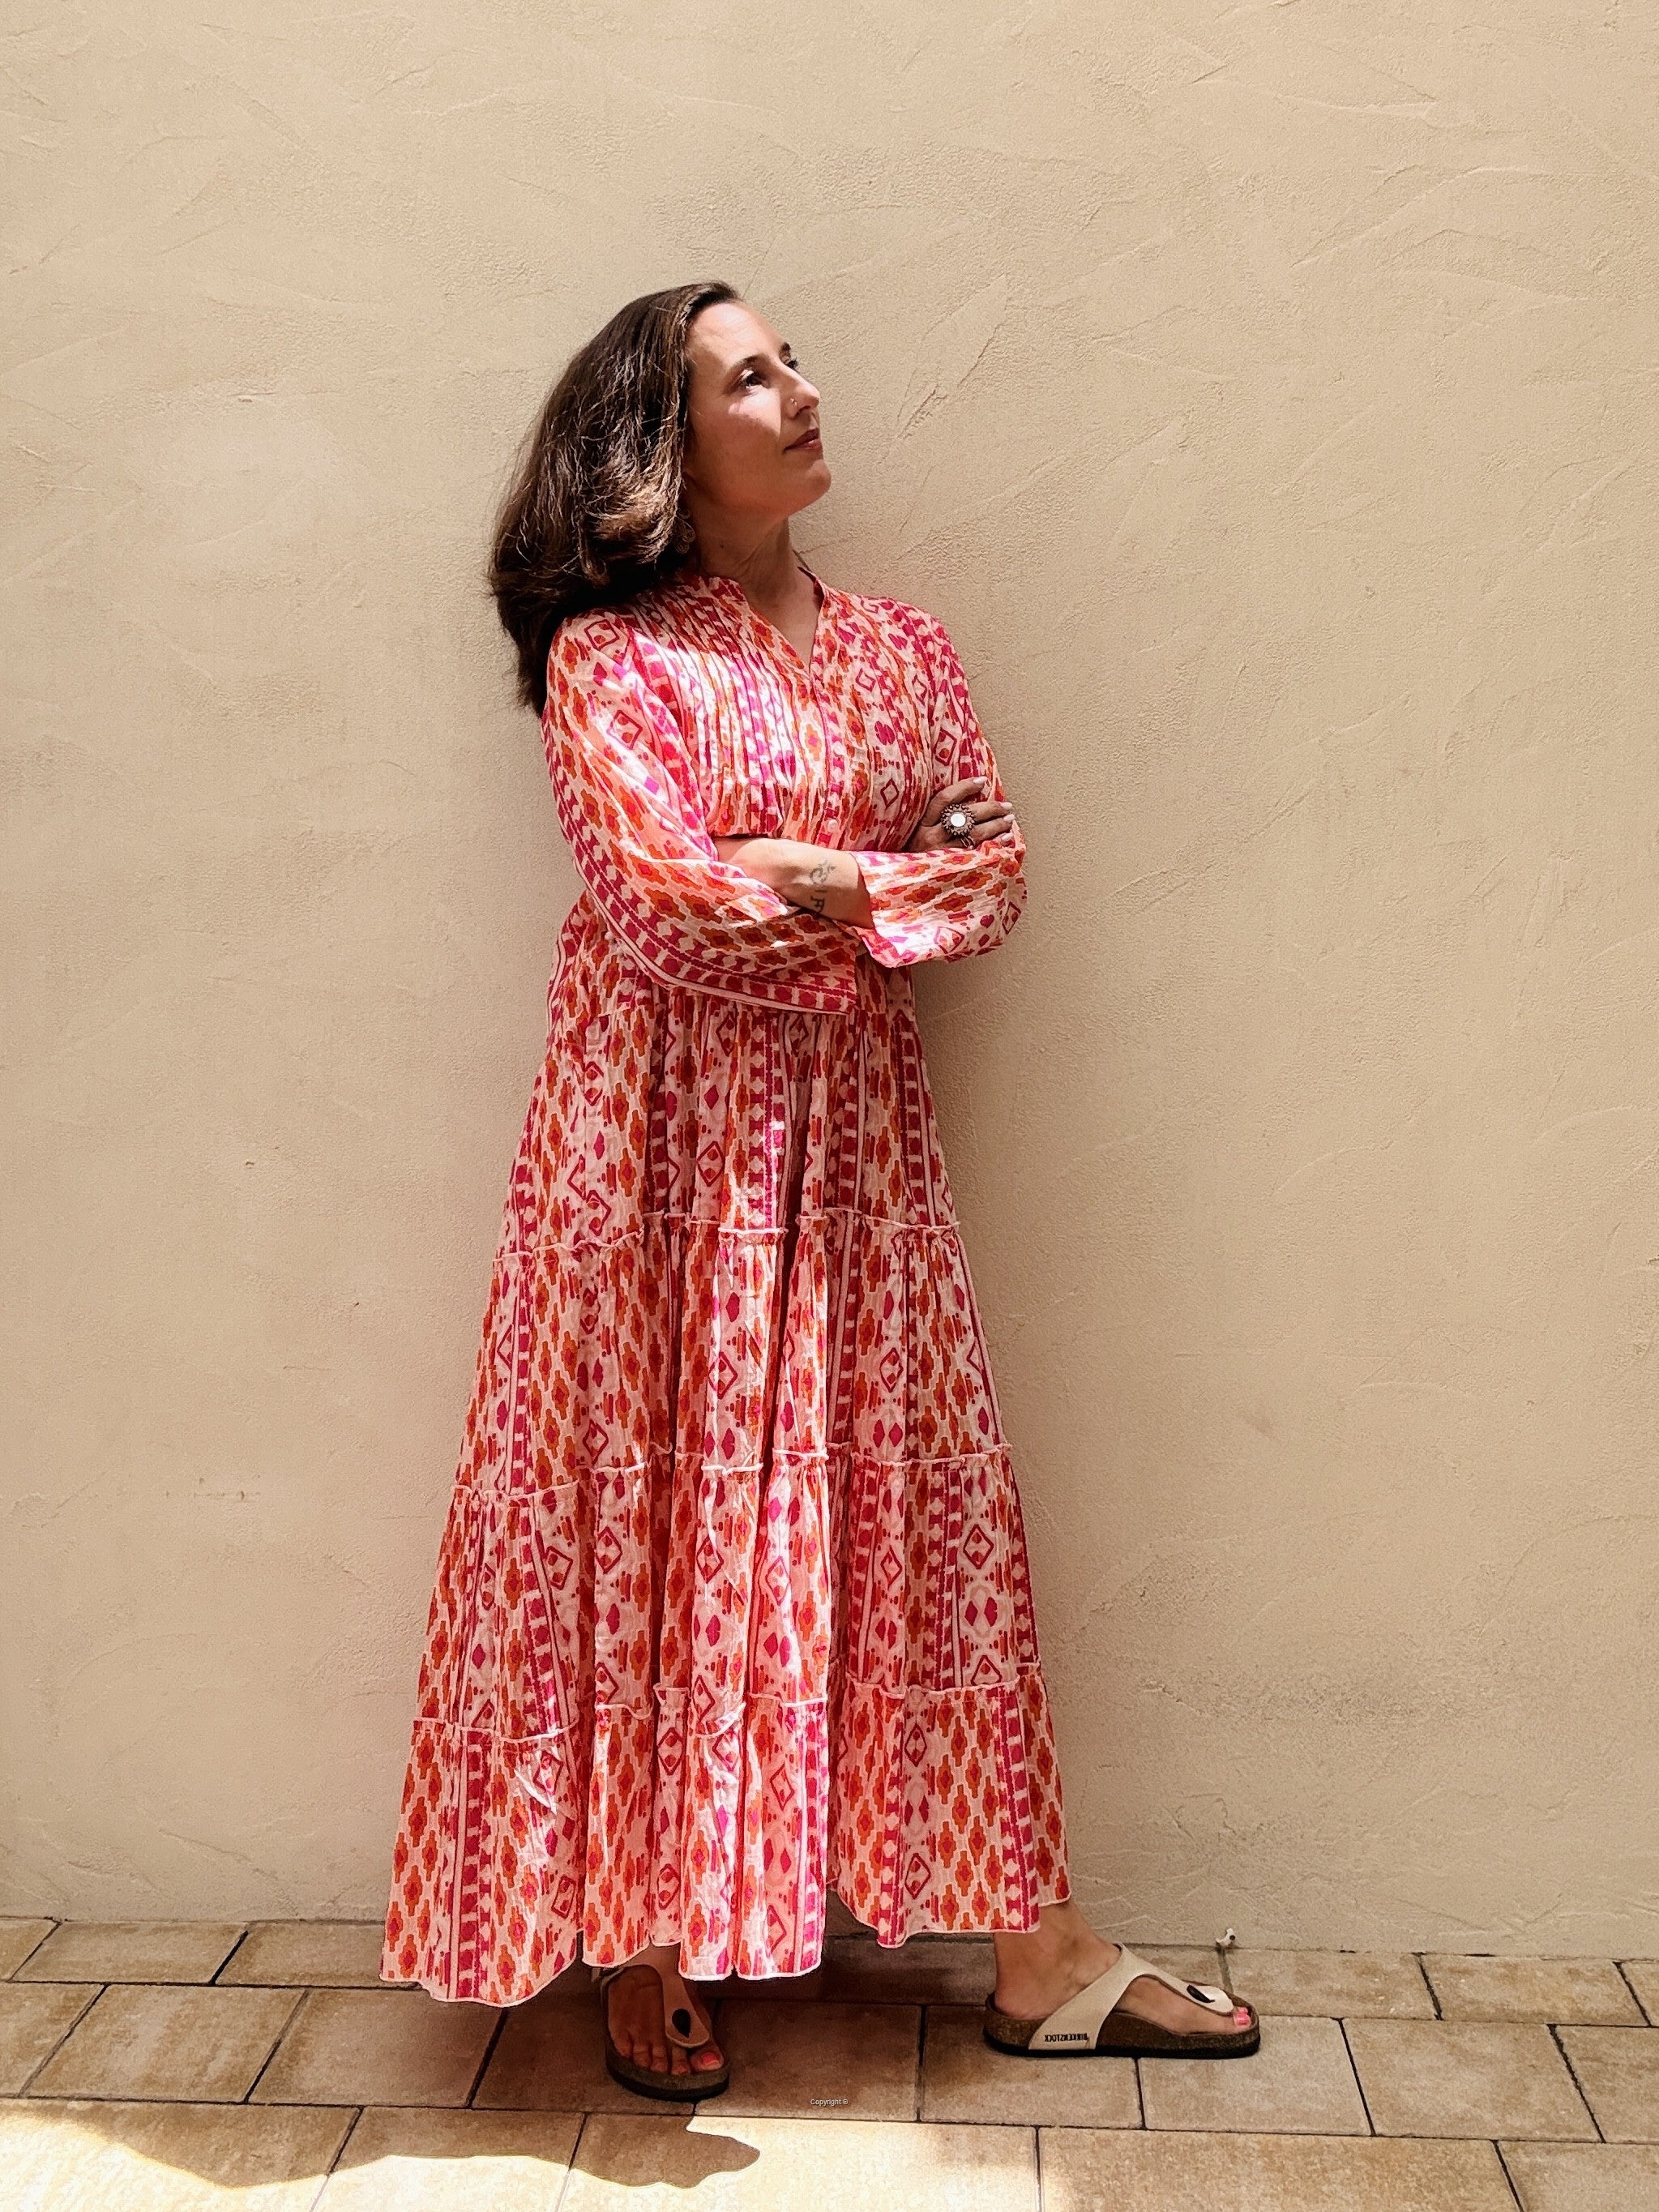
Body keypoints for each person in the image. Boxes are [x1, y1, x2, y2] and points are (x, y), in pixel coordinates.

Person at [378, 281, 1259, 2094]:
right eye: (747, 378)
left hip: (858, 1164)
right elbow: (653, 901)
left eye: (789, 361)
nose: (799, 393)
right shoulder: (613, 660)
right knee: (641, 1509)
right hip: (645, 1165)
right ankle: (641, 1932)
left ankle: (1040, 1948)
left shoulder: (911, 652)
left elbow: (993, 880)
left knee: (928, 1521)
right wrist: (865, 888)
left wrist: (816, 880)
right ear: (665, 442)